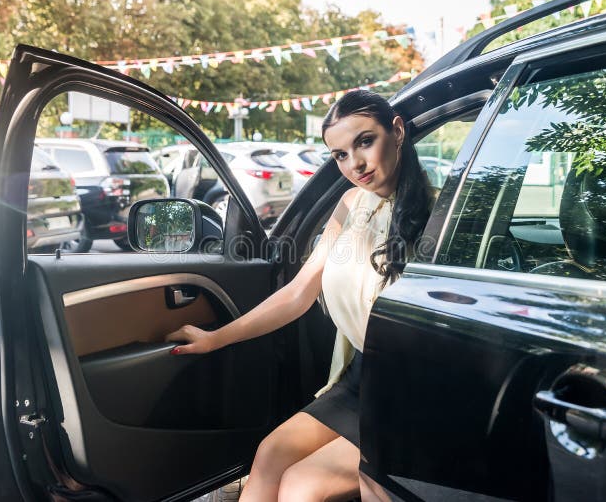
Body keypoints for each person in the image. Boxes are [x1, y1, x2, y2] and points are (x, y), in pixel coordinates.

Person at [166, 89, 431, 500]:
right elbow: (298, 292)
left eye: (364, 141)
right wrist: (216, 338)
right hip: (361, 377)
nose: (355, 164)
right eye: (340, 154)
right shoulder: (349, 203)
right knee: (269, 454)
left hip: (414, 389)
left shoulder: (440, 213)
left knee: (302, 486)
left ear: (395, 131)